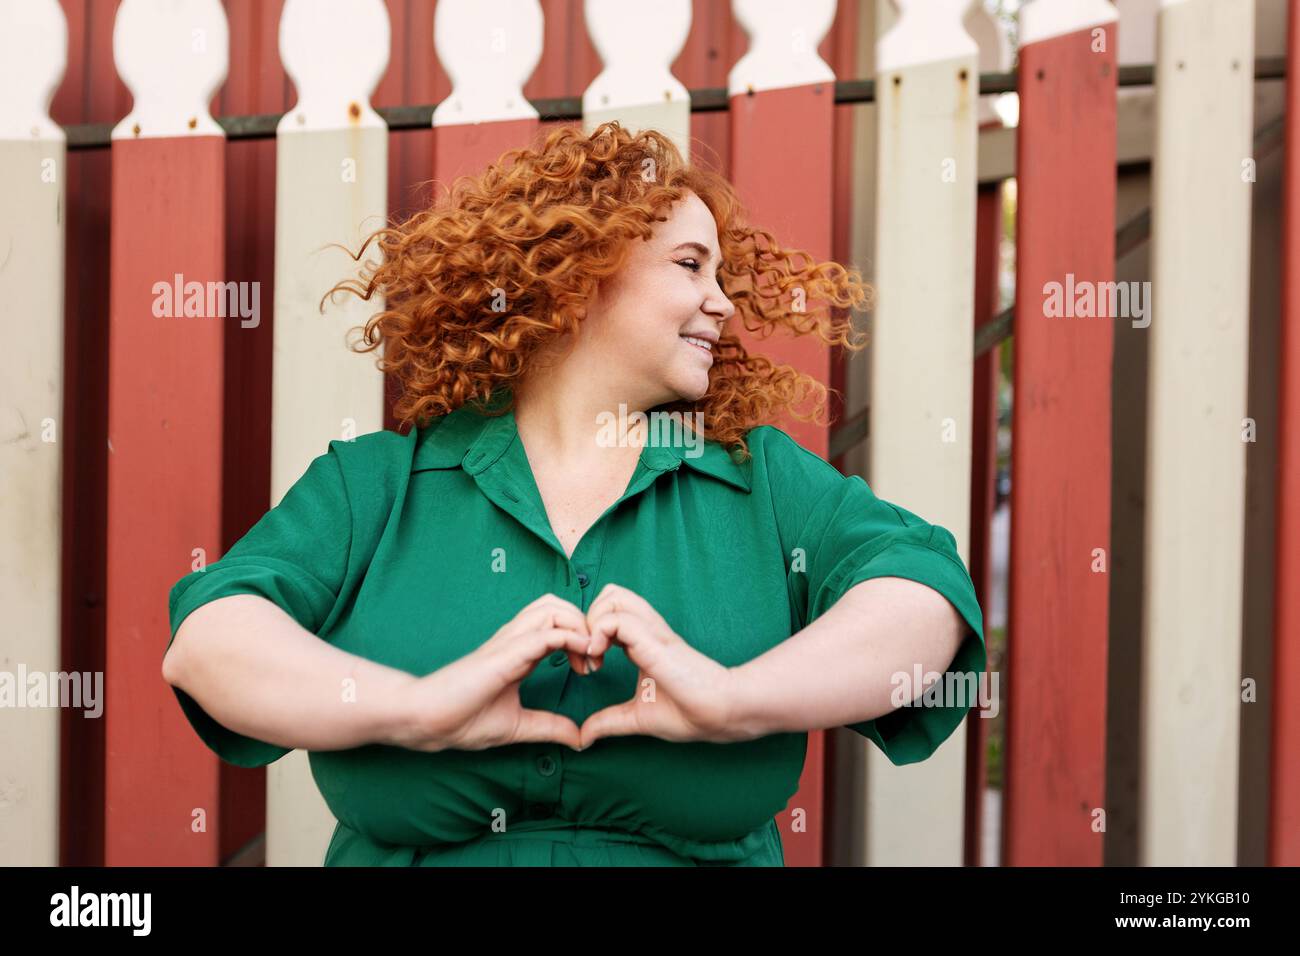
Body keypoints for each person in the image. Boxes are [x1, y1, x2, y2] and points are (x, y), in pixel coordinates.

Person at [162, 121, 986, 866]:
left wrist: (734, 700)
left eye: (722, 273)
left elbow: (927, 604)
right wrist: (416, 708)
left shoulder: (762, 482)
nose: (722, 302)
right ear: (577, 275)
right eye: (690, 265)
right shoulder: (374, 486)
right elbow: (210, 643)